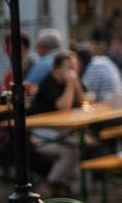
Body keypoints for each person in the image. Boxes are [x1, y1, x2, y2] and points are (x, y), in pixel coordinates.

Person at [27, 50, 84, 194]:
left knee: (80, 144)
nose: (73, 70)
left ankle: (58, 184)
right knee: (71, 150)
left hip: (58, 130)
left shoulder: (68, 81)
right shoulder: (48, 83)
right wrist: (71, 84)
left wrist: (76, 84)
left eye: (75, 66)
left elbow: (82, 102)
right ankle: (53, 185)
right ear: (57, 68)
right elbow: (63, 108)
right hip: (40, 133)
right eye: (69, 67)